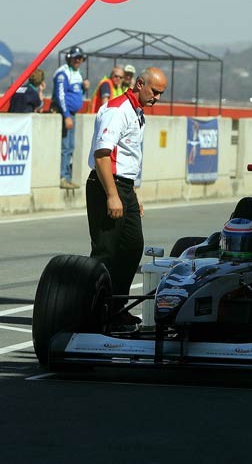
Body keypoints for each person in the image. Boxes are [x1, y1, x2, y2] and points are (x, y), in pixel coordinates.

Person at [87, 67, 167, 332]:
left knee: (133, 246)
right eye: (154, 91)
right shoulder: (117, 109)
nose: (157, 98)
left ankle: (117, 308)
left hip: (125, 187)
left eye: (161, 94)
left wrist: (132, 194)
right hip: (107, 185)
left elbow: (127, 158)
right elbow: (102, 155)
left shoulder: (137, 112)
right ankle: (94, 312)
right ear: (140, 83)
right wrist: (112, 195)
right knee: (105, 252)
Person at [51, 47, 86, 189]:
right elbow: (60, 96)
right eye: (76, 58)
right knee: (65, 147)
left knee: (71, 147)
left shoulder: (78, 73)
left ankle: (68, 176)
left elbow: (75, 93)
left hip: (73, 114)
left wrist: (84, 88)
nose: (78, 61)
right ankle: (63, 177)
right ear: (69, 58)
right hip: (66, 114)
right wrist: (66, 115)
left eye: (80, 58)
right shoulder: (62, 73)